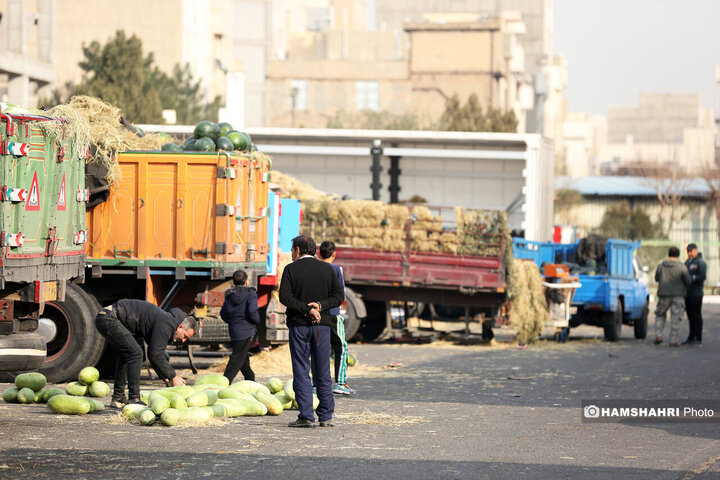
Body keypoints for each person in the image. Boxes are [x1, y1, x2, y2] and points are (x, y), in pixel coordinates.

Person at [279, 235, 344, 428]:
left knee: (301, 370)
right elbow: (338, 296)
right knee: (322, 371)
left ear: (298, 250)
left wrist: (307, 310)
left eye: (292, 250)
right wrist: (320, 306)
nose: (291, 253)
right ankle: (325, 416)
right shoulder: (327, 269)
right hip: (322, 328)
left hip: (299, 326)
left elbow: (285, 297)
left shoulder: (290, 269)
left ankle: (306, 416)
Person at [95, 299, 196, 408]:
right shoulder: (167, 324)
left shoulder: (168, 322)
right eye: (185, 336)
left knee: (127, 355)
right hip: (109, 318)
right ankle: (134, 398)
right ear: (180, 327)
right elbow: (155, 355)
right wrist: (173, 376)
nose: (184, 340)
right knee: (136, 354)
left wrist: (165, 377)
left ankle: (118, 398)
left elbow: (155, 354)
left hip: (110, 317)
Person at [318, 240, 356, 395]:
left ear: (320, 254)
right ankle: (340, 382)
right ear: (334, 254)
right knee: (340, 347)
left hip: (318, 313)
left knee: (319, 348)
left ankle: (316, 383)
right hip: (333, 313)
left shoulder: (315, 268)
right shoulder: (337, 270)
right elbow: (341, 293)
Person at [220, 270, 260, 383]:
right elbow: (252, 311)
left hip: (234, 329)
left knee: (242, 356)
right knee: (237, 357)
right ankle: (224, 381)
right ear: (246, 282)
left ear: (233, 282)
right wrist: (256, 321)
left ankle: (250, 379)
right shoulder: (251, 294)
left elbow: (223, 313)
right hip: (247, 330)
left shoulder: (229, 294)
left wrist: (231, 321)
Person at [653, 247, 691, 347]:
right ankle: (674, 340)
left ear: (669, 254)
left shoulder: (661, 266)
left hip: (663, 295)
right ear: (678, 255)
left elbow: (656, 278)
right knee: (676, 317)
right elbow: (688, 281)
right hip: (678, 295)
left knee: (660, 315)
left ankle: (658, 335)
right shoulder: (682, 267)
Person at [684, 243, 707, 345]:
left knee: (697, 316)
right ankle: (691, 336)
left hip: (696, 293)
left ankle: (698, 337)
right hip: (688, 293)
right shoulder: (687, 262)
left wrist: (692, 278)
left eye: (691, 251)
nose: (689, 253)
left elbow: (702, 276)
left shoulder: (700, 262)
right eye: (688, 251)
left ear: (695, 251)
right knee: (690, 316)